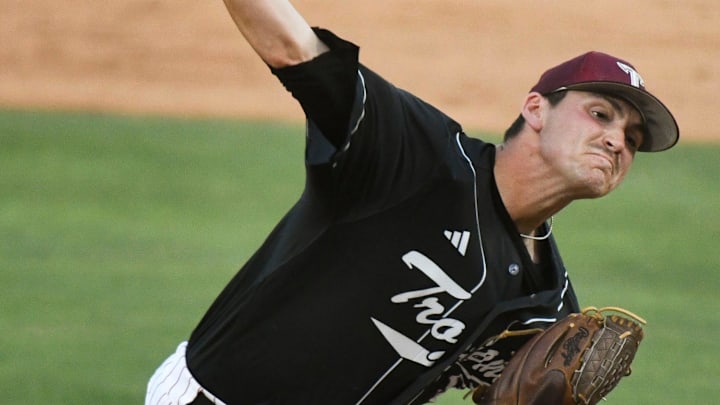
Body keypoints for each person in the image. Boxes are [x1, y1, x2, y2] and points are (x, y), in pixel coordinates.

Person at [145, 1, 679, 404]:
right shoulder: (417, 155)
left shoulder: (549, 306)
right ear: (536, 109)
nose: (617, 142)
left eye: (632, 139)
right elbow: (293, 48)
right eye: (601, 115)